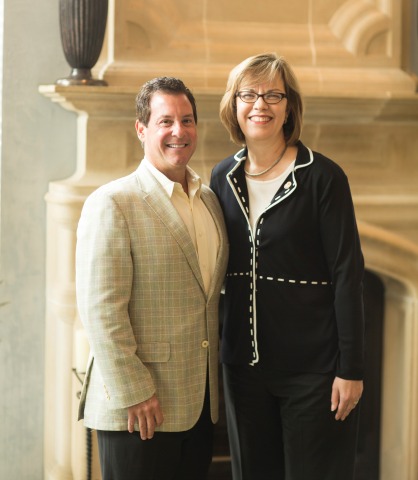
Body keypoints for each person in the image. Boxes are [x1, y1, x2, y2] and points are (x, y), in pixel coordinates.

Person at [210, 53, 365, 480]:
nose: (260, 104)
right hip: (242, 369)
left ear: (289, 106)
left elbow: (347, 275)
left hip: (314, 373)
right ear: (234, 104)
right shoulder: (221, 177)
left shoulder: (323, 177)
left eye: (273, 94)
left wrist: (351, 369)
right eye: (249, 94)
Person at [76, 76, 229, 480]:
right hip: (138, 410)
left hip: (197, 405)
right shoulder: (112, 203)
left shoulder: (210, 200)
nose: (179, 131)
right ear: (142, 129)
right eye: (165, 121)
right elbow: (100, 309)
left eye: (188, 120)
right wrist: (134, 392)